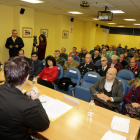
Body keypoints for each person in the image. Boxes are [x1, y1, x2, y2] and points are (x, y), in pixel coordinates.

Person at [0, 56, 50, 140]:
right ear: (26, 78)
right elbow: (44, 125)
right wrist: (36, 99)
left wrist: (26, 95)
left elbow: (13, 100)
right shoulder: (28, 105)